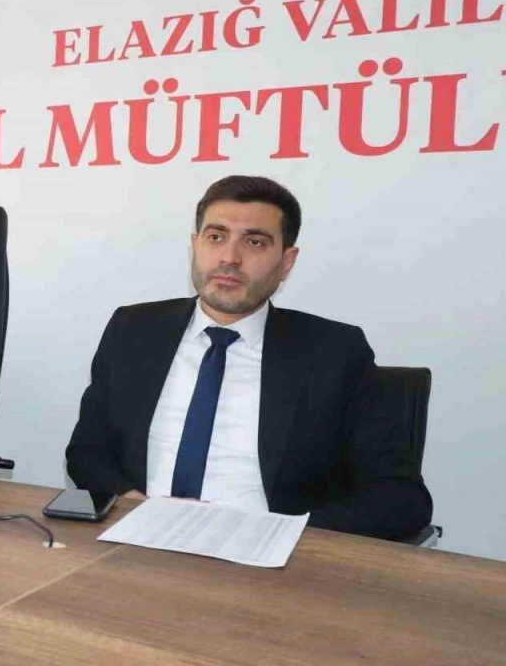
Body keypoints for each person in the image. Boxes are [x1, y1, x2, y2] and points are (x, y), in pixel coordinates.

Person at [65, 175, 433, 540]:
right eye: (216, 237)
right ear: (194, 246)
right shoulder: (133, 330)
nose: (229, 257)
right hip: (139, 540)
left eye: (254, 242)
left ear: (286, 262)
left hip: (268, 554)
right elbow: (87, 452)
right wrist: (133, 503)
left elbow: (401, 498)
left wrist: (274, 531)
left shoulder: (335, 352)